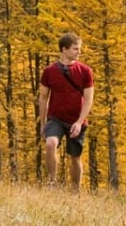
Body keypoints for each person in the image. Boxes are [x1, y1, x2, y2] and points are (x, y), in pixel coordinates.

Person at [38, 32, 94, 189]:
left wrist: (79, 121)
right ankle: (52, 182)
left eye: (79, 48)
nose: (79, 52)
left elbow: (88, 99)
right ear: (64, 49)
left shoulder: (85, 71)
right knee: (50, 144)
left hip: (76, 119)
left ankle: (75, 190)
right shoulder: (49, 71)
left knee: (75, 157)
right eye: (75, 48)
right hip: (55, 118)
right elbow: (43, 98)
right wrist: (43, 123)